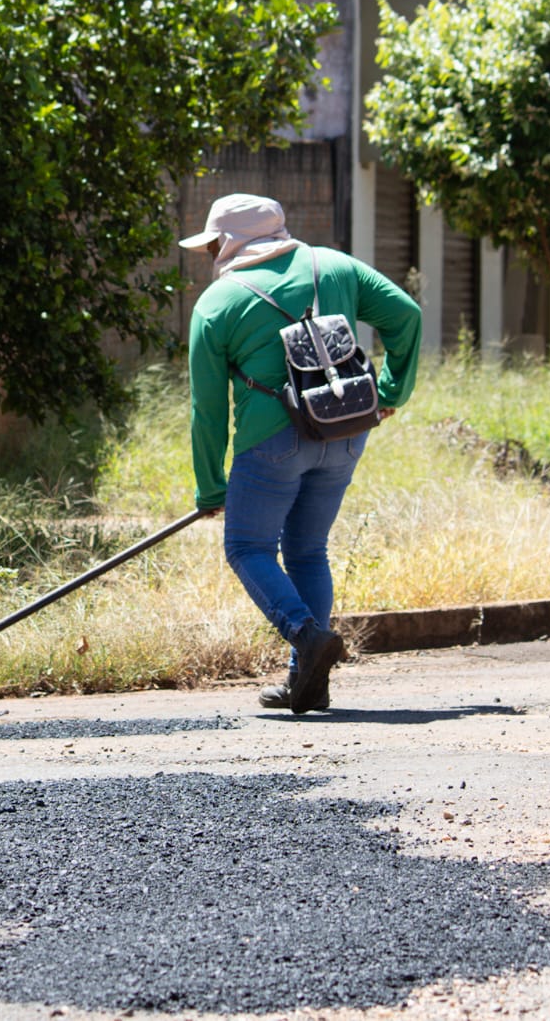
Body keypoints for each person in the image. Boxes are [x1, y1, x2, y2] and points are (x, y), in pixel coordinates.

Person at [181, 193, 421, 715]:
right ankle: (307, 683)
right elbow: (407, 315)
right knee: (308, 550)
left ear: (230, 241)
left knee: (247, 548)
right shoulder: (333, 265)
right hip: (346, 430)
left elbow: (207, 409)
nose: (210, 254)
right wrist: (390, 391)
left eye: (213, 244)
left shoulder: (217, 304)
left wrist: (209, 486)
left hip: (272, 445)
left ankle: (306, 637)